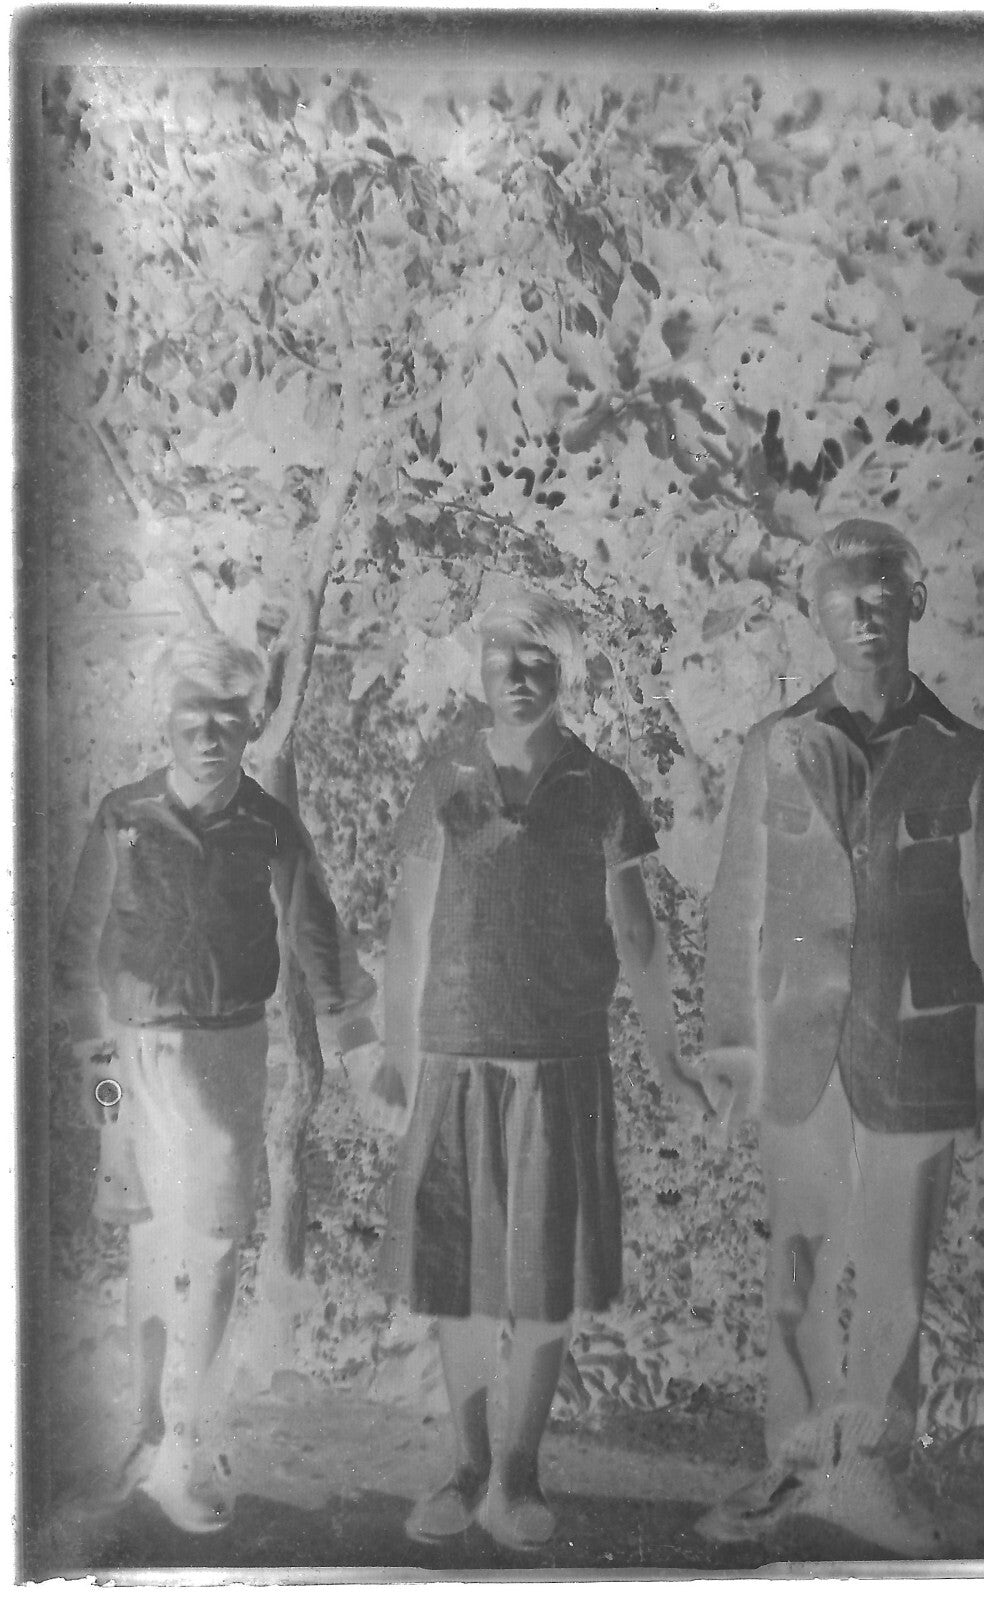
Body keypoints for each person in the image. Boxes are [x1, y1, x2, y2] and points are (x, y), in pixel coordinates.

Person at [696, 519, 984, 1553]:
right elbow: (734, 900)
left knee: (894, 1269)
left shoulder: (969, 758)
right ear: (816, 614)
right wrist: (730, 1041)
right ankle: (793, 1464)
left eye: (881, 595)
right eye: (841, 598)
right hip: (799, 1049)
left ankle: (876, 1471)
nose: (862, 614)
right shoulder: (775, 745)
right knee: (796, 1262)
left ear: (913, 602)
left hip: (918, 1046)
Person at [368, 589, 713, 1553]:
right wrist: (397, 1058)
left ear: (567, 672)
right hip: (458, 1063)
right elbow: (405, 932)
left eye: (538, 658)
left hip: (562, 1066)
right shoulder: (444, 780)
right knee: (459, 1281)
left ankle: (520, 1470)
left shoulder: (601, 790)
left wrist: (668, 1058)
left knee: (543, 1281)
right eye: (501, 657)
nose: (517, 674)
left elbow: (638, 938)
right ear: (478, 669)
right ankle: (468, 1462)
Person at [55, 632, 378, 1534]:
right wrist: (102, 1090)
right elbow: (75, 957)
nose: (209, 730)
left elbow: (317, 935)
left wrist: (355, 1039)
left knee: (213, 1247)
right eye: (192, 711)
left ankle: (193, 1440)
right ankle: (148, 1430)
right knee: (147, 1251)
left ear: (249, 723)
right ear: (164, 716)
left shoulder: (270, 825)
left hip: (227, 1060)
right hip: (127, 1064)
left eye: (229, 715)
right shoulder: (123, 815)